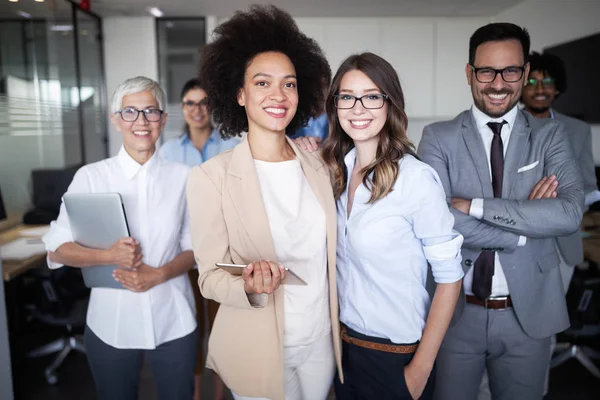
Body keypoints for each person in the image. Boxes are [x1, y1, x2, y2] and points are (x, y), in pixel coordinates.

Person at [417, 23, 584, 400]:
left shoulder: (550, 137)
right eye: (486, 71)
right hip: (455, 310)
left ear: (524, 72)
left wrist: (474, 206)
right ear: (469, 73)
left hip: (529, 313)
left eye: (510, 71)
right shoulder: (437, 138)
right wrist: (527, 226)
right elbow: (439, 222)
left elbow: (570, 213)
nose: (497, 84)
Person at [186, 5, 339, 400]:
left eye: (289, 84)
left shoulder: (319, 165)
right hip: (259, 345)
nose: (278, 94)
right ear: (238, 93)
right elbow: (208, 278)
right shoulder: (210, 177)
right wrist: (251, 288)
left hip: (321, 339)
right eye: (262, 83)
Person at [298, 52, 464, 400]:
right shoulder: (334, 172)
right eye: (347, 96)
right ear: (336, 105)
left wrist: (419, 371)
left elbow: (450, 278)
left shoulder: (416, 180)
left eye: (372, 96)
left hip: (396, 357)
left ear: (390, 104)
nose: (358, 108)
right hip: (343, 351)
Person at [42, 76, 197, 400]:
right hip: (111, 322)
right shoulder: (91, 177)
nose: (141, 121)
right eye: (129, 112)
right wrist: (108, 256)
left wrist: (159, 273)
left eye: (150, 111)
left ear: (163, 119)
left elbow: (194, 246)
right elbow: (56, 249)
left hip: (174, 317)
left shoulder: (185, 178)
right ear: (116, 120)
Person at [159, 78, 237, 400]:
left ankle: (218, 395)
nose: (197, 109)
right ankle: (195, 395)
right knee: (191, 328)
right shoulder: (167, 152)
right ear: (182, 109)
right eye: (190, 103)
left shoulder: (231, 146)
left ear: (213, 107)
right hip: (186, 251)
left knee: (221, 329)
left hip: (224, 251)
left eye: (204, 102)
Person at [521, 51, 600, 290]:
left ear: (557, 88)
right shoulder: (505, 127)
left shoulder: (577, 130)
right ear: (521, 89)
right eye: (532, 82)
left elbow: (588, 185)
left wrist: (568, 205)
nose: (540, 89)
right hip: (519, 236)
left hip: (563, 241)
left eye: (547, 82)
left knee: (554, 318)